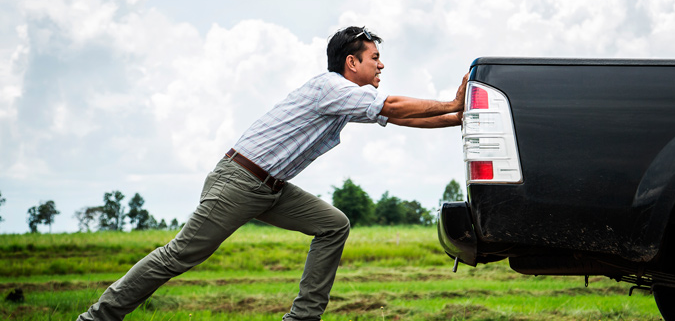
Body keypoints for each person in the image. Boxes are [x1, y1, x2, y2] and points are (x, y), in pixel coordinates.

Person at [77, 26, 466, 321]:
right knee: (179, 255)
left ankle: (302, 317)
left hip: (270, 188)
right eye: (375, 57)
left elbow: (398, 118)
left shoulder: (346, 98)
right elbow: (395, 106)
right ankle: (97, 317)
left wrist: (457, 117)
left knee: (333, 225)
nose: (382, 64)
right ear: (352, 62)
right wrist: (450, 101)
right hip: (239, 181)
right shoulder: (331, 87)